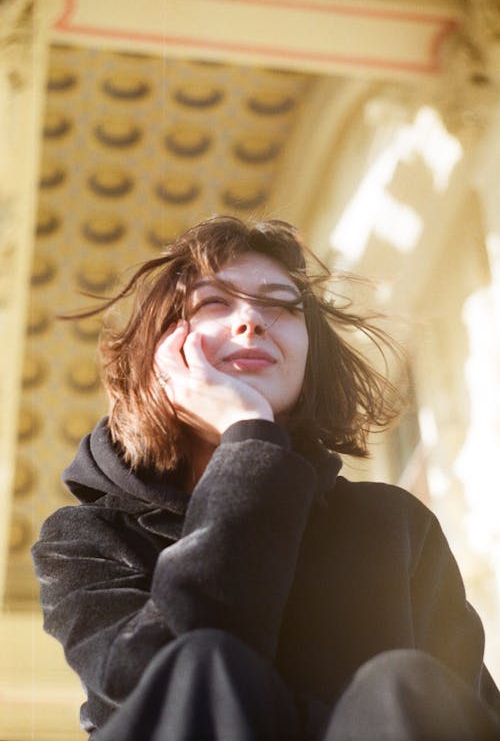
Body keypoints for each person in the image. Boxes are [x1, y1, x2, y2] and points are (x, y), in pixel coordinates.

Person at [32, 215, 500, 740]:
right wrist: (249, 438)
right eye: (214, 302)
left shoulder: (395, 525)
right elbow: (168, 694)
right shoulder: (84, 539)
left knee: (406, 686)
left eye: (280, 306)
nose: (252, 320)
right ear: (160, 353)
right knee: (205, 663)